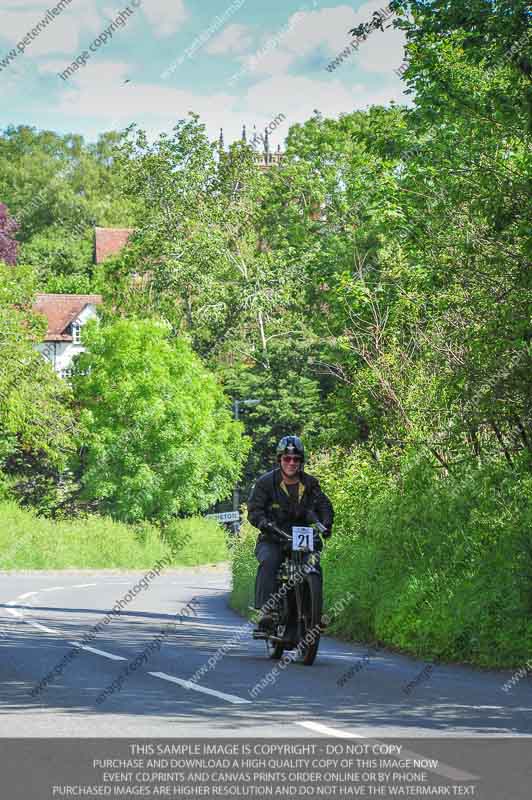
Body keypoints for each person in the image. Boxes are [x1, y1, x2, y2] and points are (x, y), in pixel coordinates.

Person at [247, 435, 334, 634]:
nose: (291, 463)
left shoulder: (311, 484)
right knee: (269, 560)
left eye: (296, 459)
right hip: (273, 537)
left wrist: (326, 523)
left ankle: (315, 612)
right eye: (287, 458)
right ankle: (266, 612)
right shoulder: (265, 483)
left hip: (302, 538)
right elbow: (254, 510)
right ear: (280, 460)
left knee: (314, 564)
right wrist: (263, 523)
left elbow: (324, 506)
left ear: (301, 461)